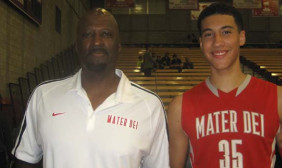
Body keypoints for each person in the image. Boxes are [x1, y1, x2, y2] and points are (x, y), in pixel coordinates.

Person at [12, 8, 169, 168]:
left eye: (106, 34)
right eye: (87, 34)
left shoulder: (150, 106)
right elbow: (25, 161)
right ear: (76, 46)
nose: (97, 42)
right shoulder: (43, 96)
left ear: (119, 45)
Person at [167, 3, 282, 168]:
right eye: (209, 34)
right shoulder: (179, 107)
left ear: (242, 37)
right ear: (201, 43)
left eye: (226, 32)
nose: (217, 42)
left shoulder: (281, 99)